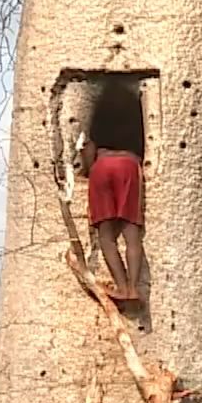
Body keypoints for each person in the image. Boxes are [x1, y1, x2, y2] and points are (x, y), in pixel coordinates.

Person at [79, 82, 147, 302]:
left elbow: (89, 149)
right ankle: (134, 288)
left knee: (107, 237)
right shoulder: (136, 114)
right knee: (132, 234)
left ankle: (121, 286)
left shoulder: (99, 113)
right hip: (128, 165)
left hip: (103, 165)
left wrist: (90, 168)